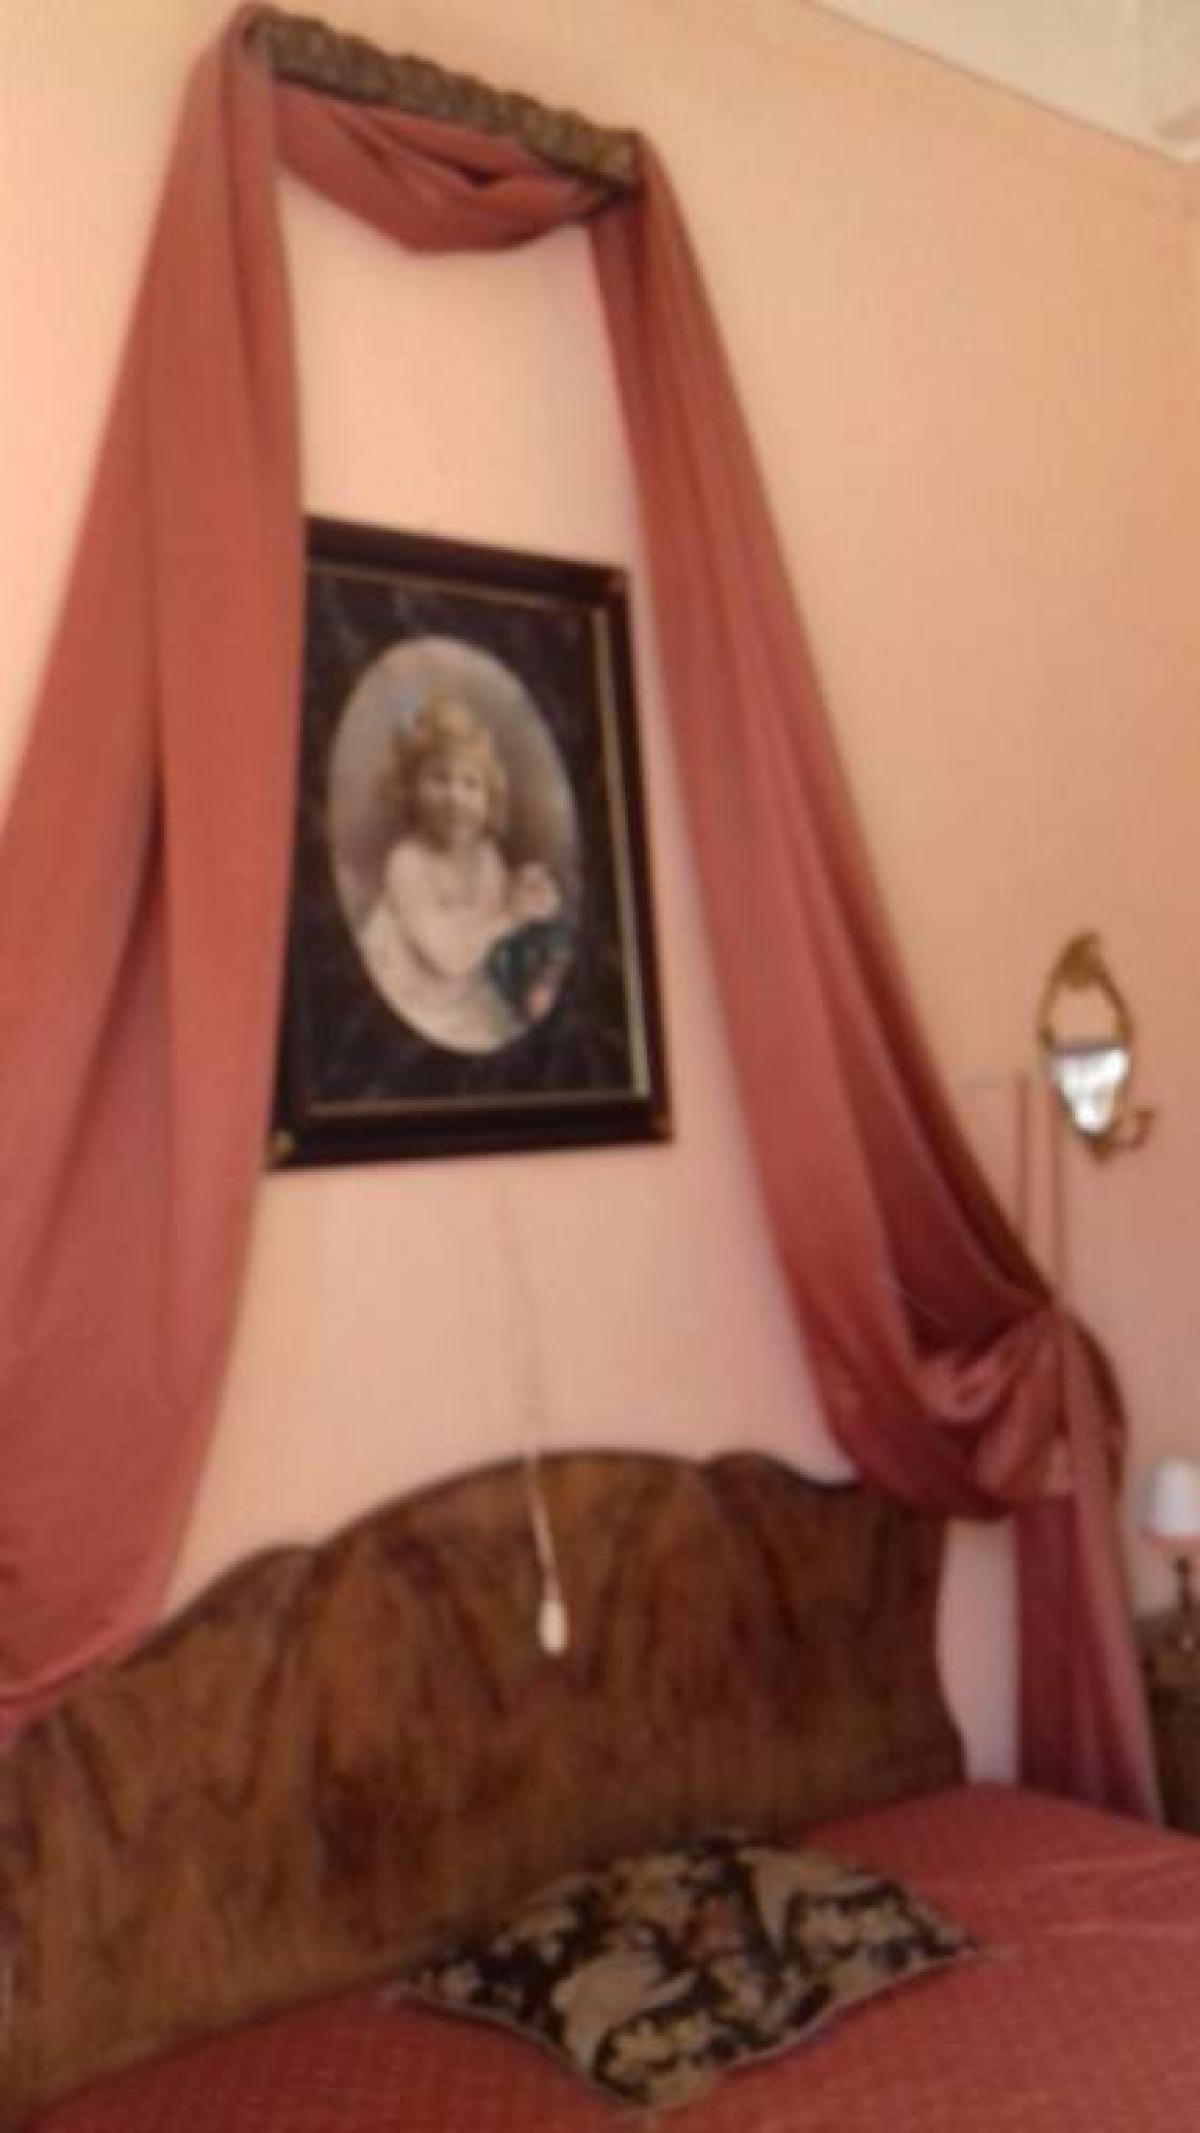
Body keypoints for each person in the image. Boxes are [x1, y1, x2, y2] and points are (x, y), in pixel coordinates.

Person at [356, 697, 567, 1053]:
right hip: (416, 995)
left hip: (469, 989)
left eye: (471, 784)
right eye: (439, 778)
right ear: (410, 788)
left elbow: (497, 914)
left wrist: (526, 890)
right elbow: (448, 958)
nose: (455, 797)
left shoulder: (486, 855)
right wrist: (511, 915)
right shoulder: (406, 863)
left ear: (489, 799)